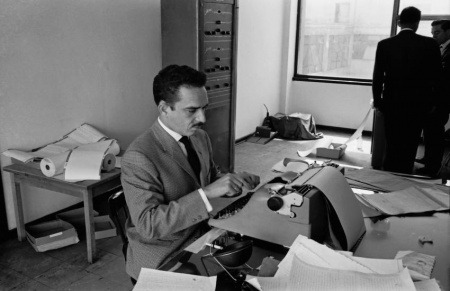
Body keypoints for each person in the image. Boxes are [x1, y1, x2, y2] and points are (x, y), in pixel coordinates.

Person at [120, 64, 260, 281]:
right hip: (164, 254)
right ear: (164, 109)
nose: (203, 118)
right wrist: (208, 193)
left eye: (204, 108)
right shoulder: (139, 157)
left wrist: (231, 183)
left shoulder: (199, 137)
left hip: (202, 234)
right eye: (192, 110)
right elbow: (149, 225)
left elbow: (210, 178)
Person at [372, 6, 443, 174]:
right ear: (417, 23)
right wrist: (434, 103)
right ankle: (405, 171)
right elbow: (437, 77)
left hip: (391, 102)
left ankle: (390, 171)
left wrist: (378, 101)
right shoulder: (430, 44)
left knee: (393, 140)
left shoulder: (385, 45)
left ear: (399, 22)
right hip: (419, 104)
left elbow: (378, 77)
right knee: (411, 141)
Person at [416, 20, 450, 177]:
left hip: (441, 101)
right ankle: (428, 158)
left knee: (435, 133)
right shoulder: (439, 48)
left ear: (448, 32)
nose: (433, 36)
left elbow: (444, 80)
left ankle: (432, 167)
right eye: (432, 33)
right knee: (429, 131)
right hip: (432, 99)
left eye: (437, 32)